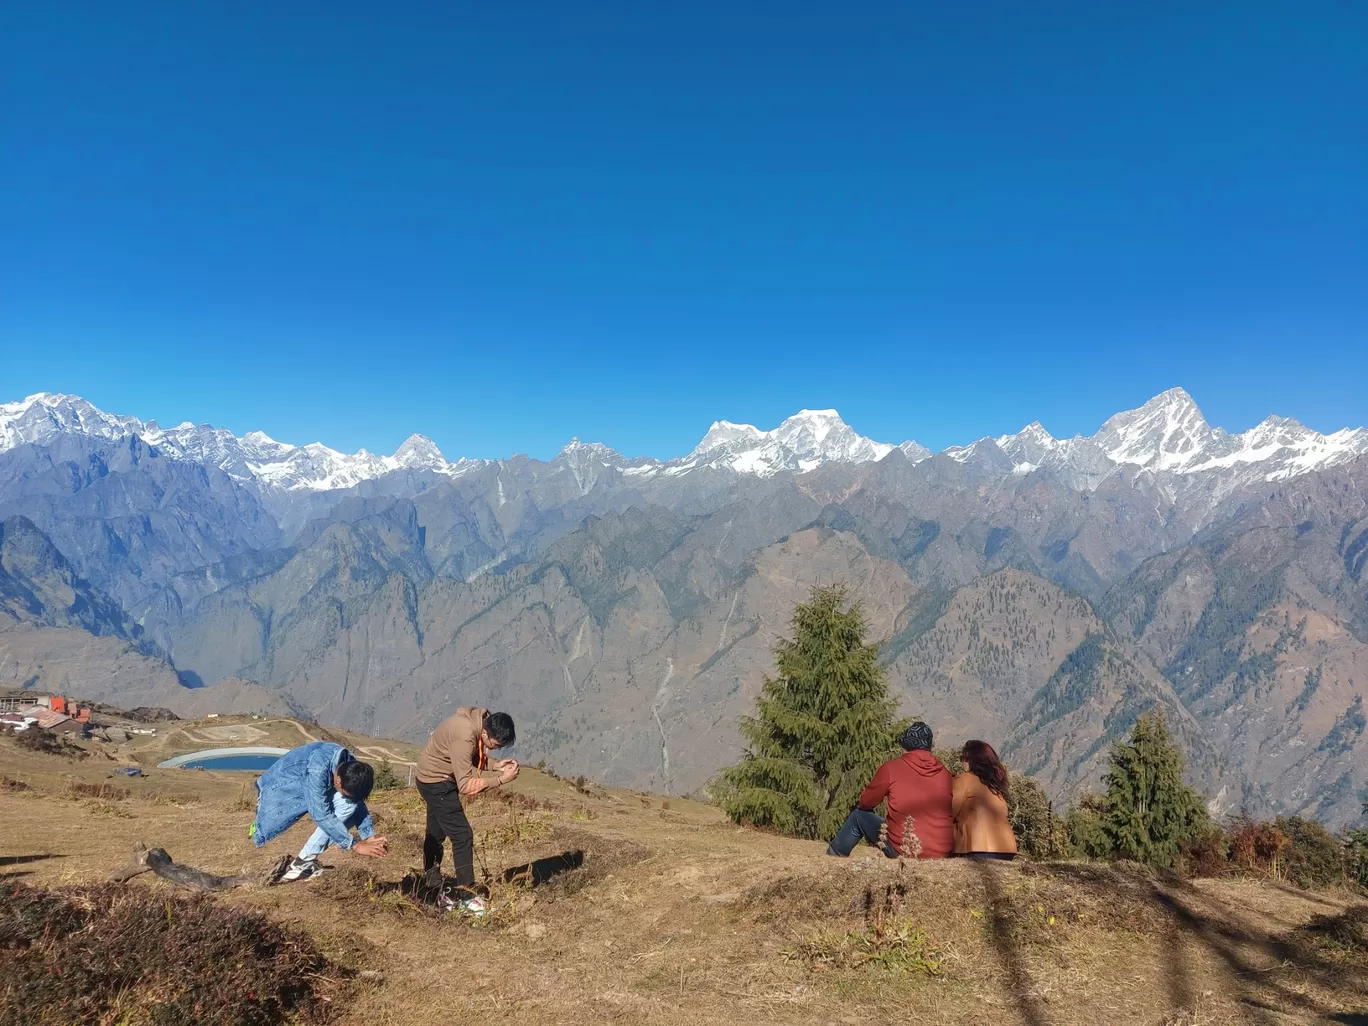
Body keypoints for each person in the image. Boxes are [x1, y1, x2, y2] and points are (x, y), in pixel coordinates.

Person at [414, 707, 518, 915]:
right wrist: (500, 780)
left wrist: (496, 765)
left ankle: (432, 885)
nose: (493, 750)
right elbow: (465, 785)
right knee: (462, 836)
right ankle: (467, 897)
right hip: (437, 784)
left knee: (436, 833)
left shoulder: (477, 724)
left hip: (429, 777)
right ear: (486, 734)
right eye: (495, 746)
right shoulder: (465, 736)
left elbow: (470, 756)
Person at [249, 741, 388, 881]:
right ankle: (301, 864)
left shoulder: (349, 766)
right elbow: (321, 815)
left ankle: (304, 861)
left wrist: (369, 836)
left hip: (303, 782)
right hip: (280, 790)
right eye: (346, 793)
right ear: (338, 782)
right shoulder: (317, 770)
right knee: (347, 806)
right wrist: (354, 845)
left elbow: (356, 801)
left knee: (350, 805)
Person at [826, 722, 954, 859]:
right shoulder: (945, 774)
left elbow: (866, 801)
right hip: (942, 852)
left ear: (904, 747)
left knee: (859, 815)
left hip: (903, 848)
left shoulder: (892, 768)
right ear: (929, 748)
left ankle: (834, 857)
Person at [952, 740, 1018, 861]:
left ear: (972, 760)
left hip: (977, 847)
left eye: (963, 758)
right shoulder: (995, 785)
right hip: (1006, 848)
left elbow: (949, 811)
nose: (962, 762)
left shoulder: (963, 780)